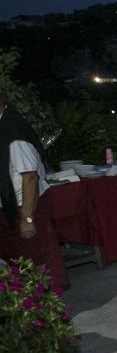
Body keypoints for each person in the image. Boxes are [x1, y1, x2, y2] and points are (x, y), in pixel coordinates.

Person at [0, 94, 69, 288]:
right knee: (18, 261)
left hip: (26, 206)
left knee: (37, 259)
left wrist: (27, 218)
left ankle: (49, 308)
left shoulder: (13, 132)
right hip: (10, 206)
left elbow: (30, 177)